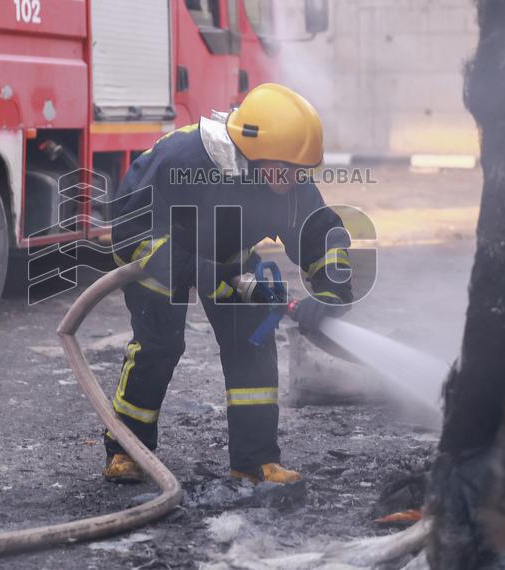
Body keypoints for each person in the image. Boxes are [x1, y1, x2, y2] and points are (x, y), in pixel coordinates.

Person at [103, 83, 353, 484]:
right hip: (160, 253)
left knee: (252, 339)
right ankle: (128, 451)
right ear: (255, 153)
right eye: (288, 170)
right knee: (159, 346)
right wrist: (190, 268)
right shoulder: (181, 159)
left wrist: (333, 287)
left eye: (300, 171)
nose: (294, 180)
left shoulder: (285, 176)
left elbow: (317, 232)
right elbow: (129, 233)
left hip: (228, 257)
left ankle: (253, 462)